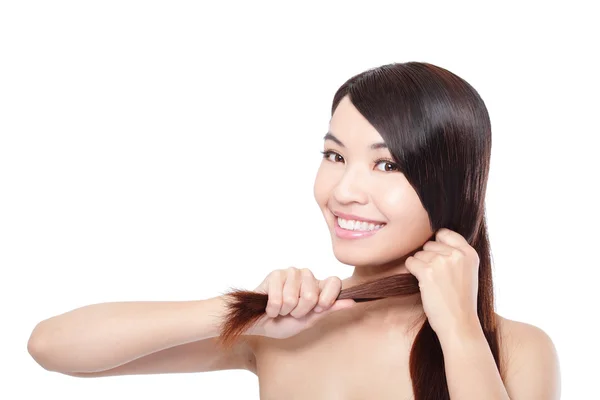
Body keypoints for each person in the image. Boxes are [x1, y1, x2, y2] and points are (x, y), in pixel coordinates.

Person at [27, 61, 561, 399]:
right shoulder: (290, 330)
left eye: (387, 165)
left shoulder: (514, 348)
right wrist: (245, 311)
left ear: (452, 184)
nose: (343, 189)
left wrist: (461, 332)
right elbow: (51, 347)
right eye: (334, 155)